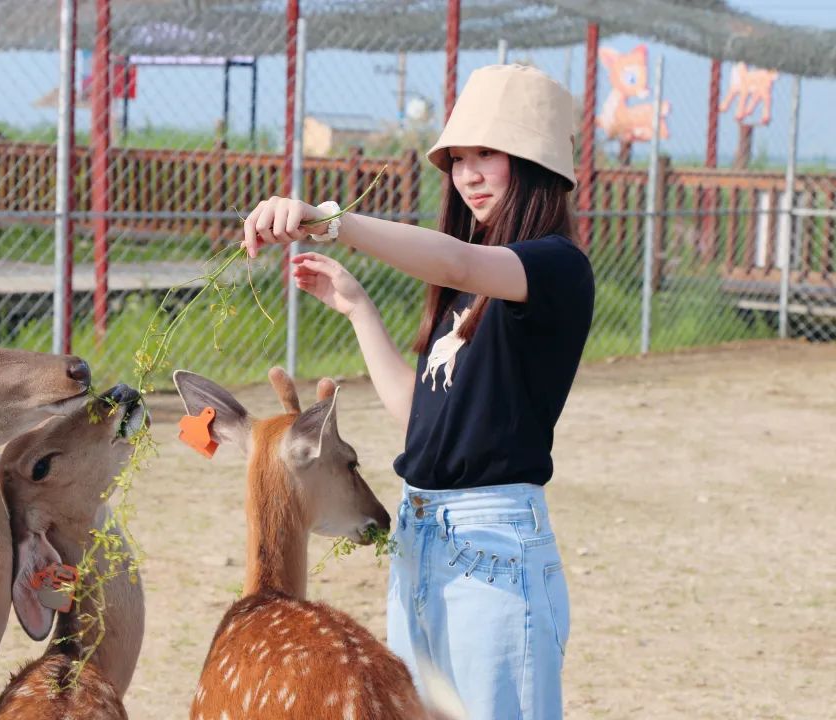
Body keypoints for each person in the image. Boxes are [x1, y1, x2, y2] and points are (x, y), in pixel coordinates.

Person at [240, 64, 594, 719]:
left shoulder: (555, 265)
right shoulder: (467, 290)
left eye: (488, 153)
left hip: (492, 541)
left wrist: (330, 220)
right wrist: (357, 308)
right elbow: (419, 416)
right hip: (420, 532)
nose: (468, 174)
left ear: (536, 165)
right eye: (458, 159)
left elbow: (459, 259)